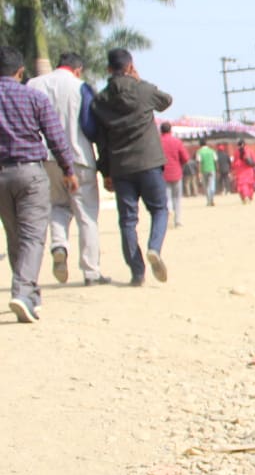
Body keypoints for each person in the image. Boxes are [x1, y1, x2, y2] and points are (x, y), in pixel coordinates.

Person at [0, 46, 80, 321]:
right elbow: (55, 136)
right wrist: (68, 169)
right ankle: (22, 292)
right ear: (20, 72)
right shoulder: (33, 97)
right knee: (32, 237)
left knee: (14, 237)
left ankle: (29, 296)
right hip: (31, 173)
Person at [26, 50, 110, 287]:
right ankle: (91, 271)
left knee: (57, 205)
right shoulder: (80, 87)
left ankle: (59, 244)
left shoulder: (34, 83)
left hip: (45, 159)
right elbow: (90, 126)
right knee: (87, 215)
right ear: (78, 69)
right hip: (78, 155)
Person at [91, 48, 173, 286]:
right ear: (130, 66)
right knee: (159, 210)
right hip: (149, 163)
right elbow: (166, 101)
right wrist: (139, 80)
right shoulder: (143, 90)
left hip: (120, 168)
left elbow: (101, 140)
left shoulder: (100, 101)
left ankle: (137, 272)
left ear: (108, 70)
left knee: (127, 220)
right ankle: (154, 248)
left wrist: (105, 171)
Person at [158, 121, 189, 227]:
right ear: (170, 130)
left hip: (163, 174)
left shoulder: (158, 142)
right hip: (176, 173)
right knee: (177, 197)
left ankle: (169, 211)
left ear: (160, 130)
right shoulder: (177, 142)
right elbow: (185, 157)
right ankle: (178, 220)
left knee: (167, 197)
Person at [232, 138, 255, 203]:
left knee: (242, 185)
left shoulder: (236, 152)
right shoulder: (249, 150)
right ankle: (249, 196)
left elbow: (234, 163)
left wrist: (234, 170)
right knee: (249, 185)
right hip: (249, 171)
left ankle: (245, 197)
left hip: (240, 171)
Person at [196, 137, 217, 205]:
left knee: (206, 186)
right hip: (212, 169)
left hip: (204, 170)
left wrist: (199, 172)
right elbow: (215, 161)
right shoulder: (212, 151)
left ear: (200, 144)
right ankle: (212, 197)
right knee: (212, 184)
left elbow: (199, 162)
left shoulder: (199, 152)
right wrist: (216, 169)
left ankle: (208, 201)